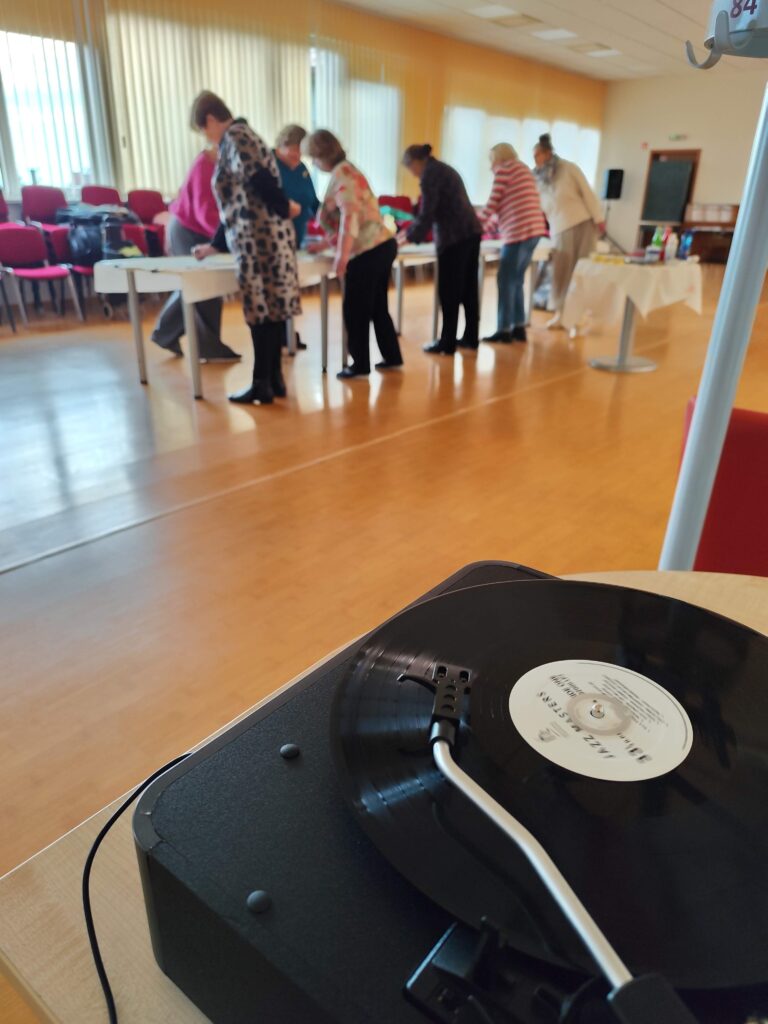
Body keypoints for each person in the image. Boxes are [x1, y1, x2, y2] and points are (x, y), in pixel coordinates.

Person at [189, 91, 301, 404]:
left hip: (258, 240)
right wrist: (215, 245)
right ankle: (274, 380)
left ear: (211, 119)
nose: (207, 138)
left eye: (204, 130)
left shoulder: (236, 137)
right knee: (271, 308)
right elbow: (238, 200)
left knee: (260, 310)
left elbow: (259, 178)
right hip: (262, 236)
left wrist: (283, 207)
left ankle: (262, 383)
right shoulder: (242, 136)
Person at [306, 129, 402, 380]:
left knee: (356, 310)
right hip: (381, 245)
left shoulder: (343, 175)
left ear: (321, 155)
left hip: (368, 251)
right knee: (377, 306)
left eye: (313, 158)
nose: (313, 164)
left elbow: (350, 218)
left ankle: (359, 365)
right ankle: (392, 356)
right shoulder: (348, 170)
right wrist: (326, 245)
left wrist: (341, 257)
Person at [151, 148, 240, 362]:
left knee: (199, 285)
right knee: (203, 285)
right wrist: (226, 239)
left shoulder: (223, 166)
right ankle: (207, 347)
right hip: (188, 229)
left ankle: (165, 334)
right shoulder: (205, 165)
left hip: (197, 228)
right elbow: (204, 212)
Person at [402, 144, 482, 355]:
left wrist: (408, 237)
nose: (412, 174)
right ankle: (471, 337)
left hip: (454, 237)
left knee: (449, 291)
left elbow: (427, 211)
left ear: (416, 162)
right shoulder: (443, 168)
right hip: (471, 232)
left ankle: (447, 342)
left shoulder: (430, 174)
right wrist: (411, 233)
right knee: (469, 289)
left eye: (410, 168)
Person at [532, 133, 605, 329]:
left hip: (582, 223)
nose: (535, 159)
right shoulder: (536, 178)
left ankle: (579, 316)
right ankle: (560, 314)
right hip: (558, 227)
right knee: (560, 272)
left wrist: (599, 218)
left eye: (538, 155)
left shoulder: (568, 168)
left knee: (581, 271)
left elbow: (587, 193)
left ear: (547, 153)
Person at [480, 143, 547, 344]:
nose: (490, 167)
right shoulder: (523, 170)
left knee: (505, 280)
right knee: (516, 280)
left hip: (519, 232)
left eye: (491, 161)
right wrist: (484, 228)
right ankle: (518, 327)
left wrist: (472, 225)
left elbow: (492, 204)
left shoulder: (504, 170)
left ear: (498, 158)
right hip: (534, 230)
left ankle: (504, 329)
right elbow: (502, 209)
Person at [274, 124, 319, 352]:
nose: (297, 155)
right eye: (292, 149)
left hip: (296, 237)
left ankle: (287, 333)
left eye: (300, 151)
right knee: (278, 289)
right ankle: (281, 335)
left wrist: (328, 217)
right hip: (275, 239)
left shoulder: (301, 169)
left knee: (289, 288)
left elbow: (313, 200)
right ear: (281, 146)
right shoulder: (271, 166)